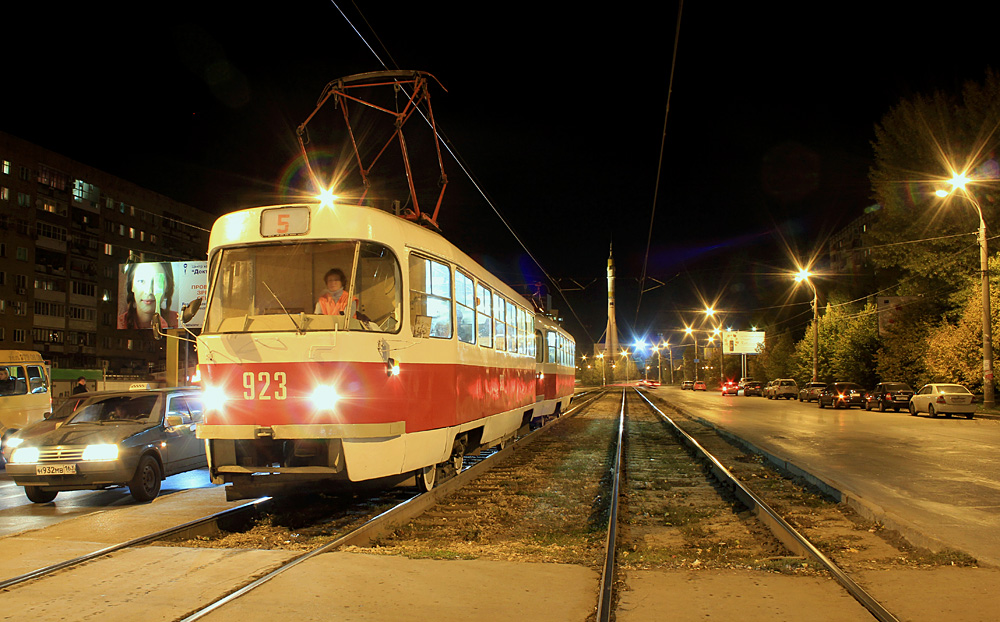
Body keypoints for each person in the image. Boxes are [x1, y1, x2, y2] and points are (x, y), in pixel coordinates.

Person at [118, 262, 179, 329]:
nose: (149, 291)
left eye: (156, 281)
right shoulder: (119, 324)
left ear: (167, 286)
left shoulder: (179, 321)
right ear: (132, 286)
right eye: (141, 281)